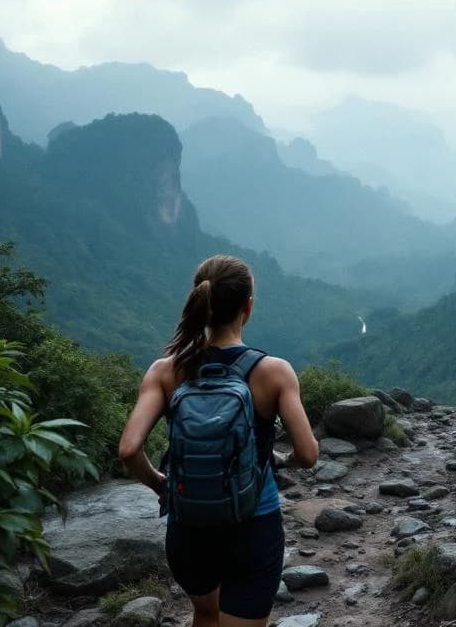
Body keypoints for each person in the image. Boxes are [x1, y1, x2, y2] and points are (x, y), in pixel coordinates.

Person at [118, 255, 318, 627]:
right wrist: (278, 459)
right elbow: (308, 454)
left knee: (205, 614)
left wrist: (158, 483)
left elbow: (129, 449)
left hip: (189, 525)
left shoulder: (165, 370)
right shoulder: (273, 372)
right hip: (253, 526)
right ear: (248, 307)